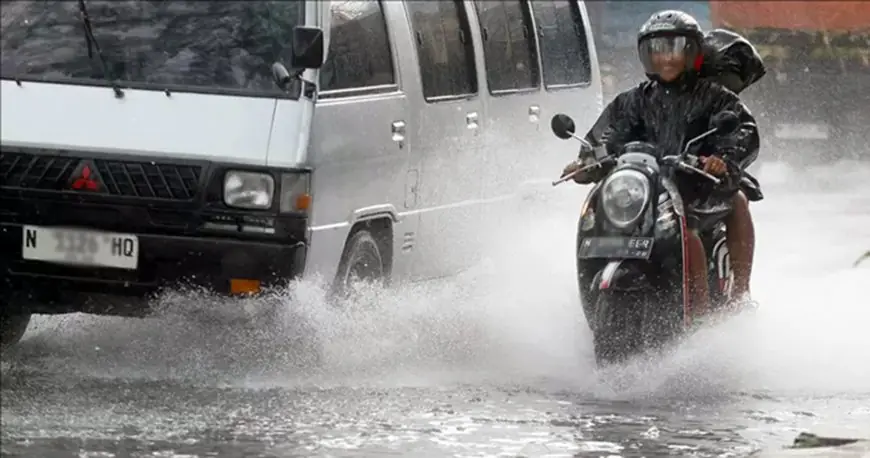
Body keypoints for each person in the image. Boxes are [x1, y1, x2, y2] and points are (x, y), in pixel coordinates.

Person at [562, 10, 759, 318]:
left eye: (676, 48)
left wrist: (721, 160)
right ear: (646, 55)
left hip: (694, 186)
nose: (667, 58)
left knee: (720, 210)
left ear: (693, 53)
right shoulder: (633, 101)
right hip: (641, 189)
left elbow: (743, 132)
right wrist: (586, 162)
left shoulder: (716, 98)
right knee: (596, 214)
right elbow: (607, 136)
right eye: (657, 50)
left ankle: (721, 306)